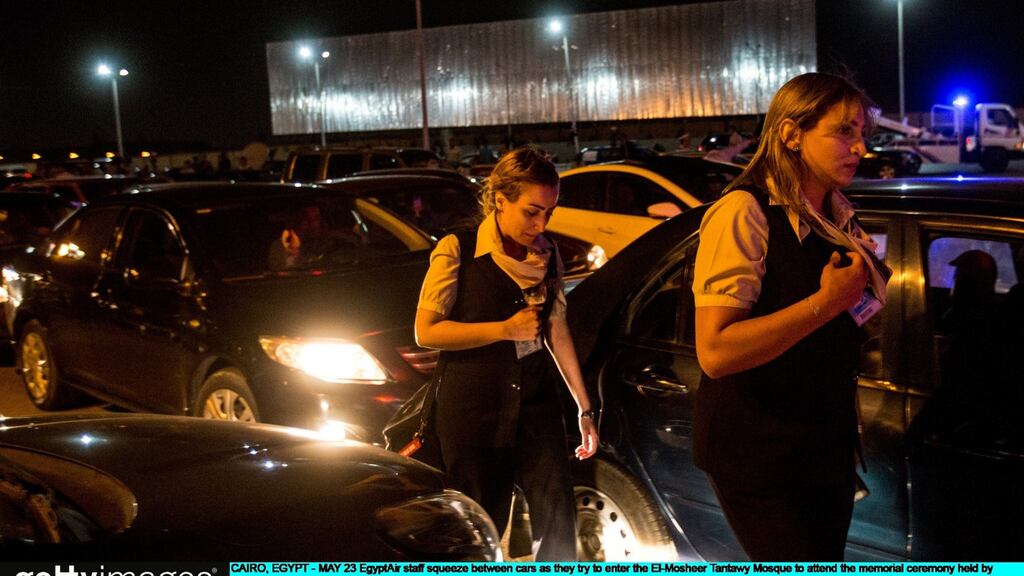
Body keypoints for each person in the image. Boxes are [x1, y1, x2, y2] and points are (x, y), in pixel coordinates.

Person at [691, 72, 890, 561]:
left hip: (823, 444)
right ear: (791, 134)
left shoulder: (839, 214)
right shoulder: (745, 211)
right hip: (761, 453)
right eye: (844, 131)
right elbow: (714, 352)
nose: (860, 147)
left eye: (864, 133)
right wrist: (826, 304)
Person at [414, 147, 598, 560]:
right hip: (473, 407)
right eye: (532, 211)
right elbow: (426, 331)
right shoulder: (458, 249)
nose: (541, 223)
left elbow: (557, 329)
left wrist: (584, 408)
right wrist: (503, 329)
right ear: (500, 200)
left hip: (535, 402)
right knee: (481, 523)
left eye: (549, 212)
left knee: (557, 517)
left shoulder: (547, 254)